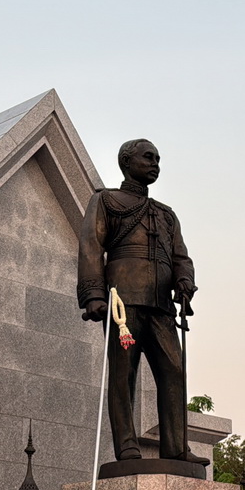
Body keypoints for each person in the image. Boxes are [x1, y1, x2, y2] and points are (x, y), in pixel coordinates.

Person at [77, 139, 207, 466]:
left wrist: (184, 283)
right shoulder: (105, 200)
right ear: (126, 161)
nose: (155, 164)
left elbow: (181, 257)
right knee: (124, 373)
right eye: (148, 157)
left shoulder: (166, 215)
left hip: (161, 305)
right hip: (123, 302)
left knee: (174, 371)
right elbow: (92, 246)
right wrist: (93, 294)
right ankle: (127, 445)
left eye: (158, 159)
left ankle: (176, 446)